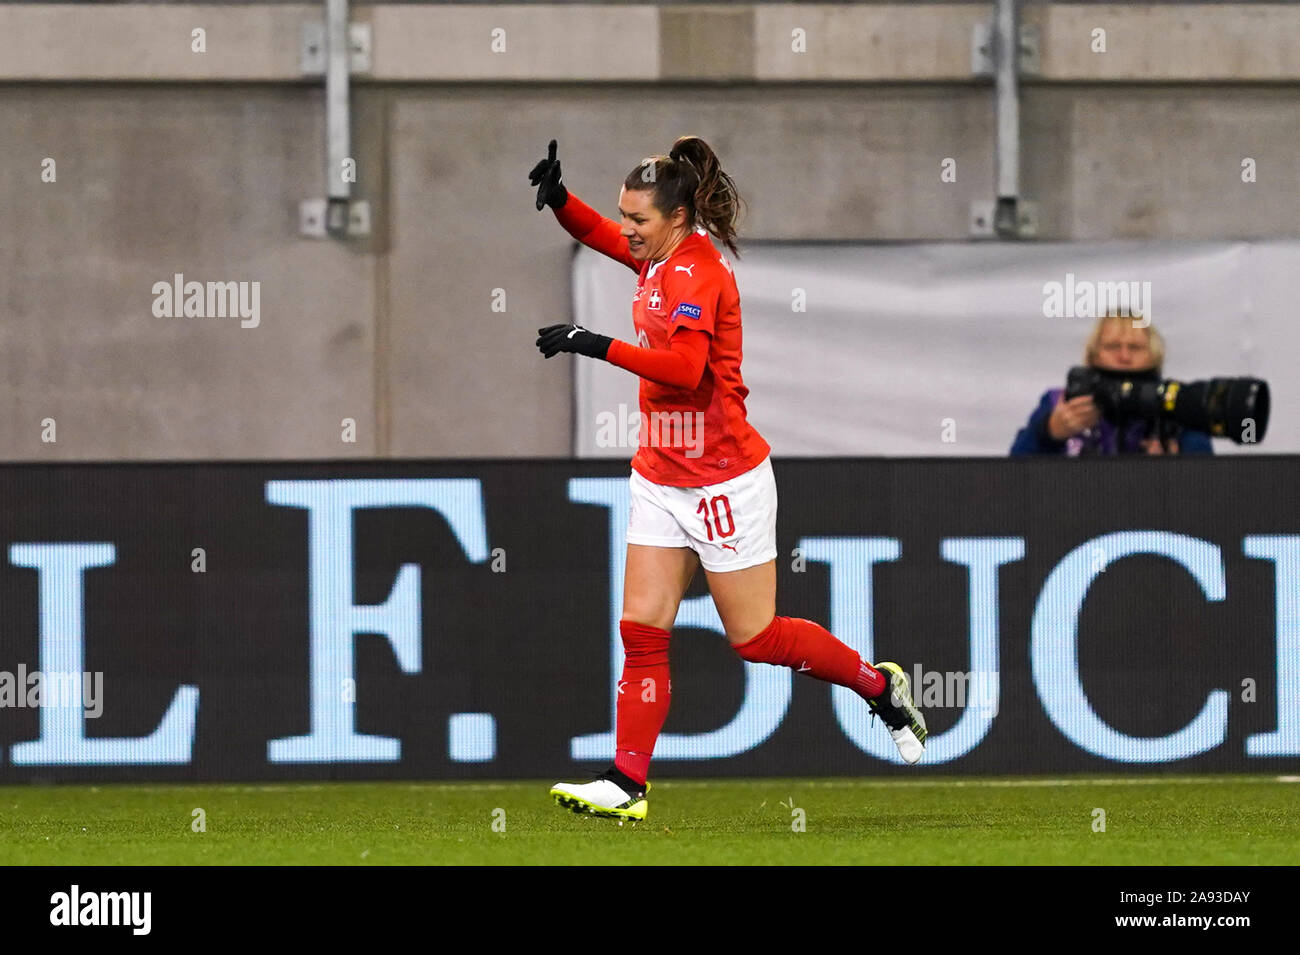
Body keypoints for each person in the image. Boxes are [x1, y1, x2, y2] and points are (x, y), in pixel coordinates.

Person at [528, 137, 927, 821]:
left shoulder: (697, 273)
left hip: (722, 481)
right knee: (642, 631)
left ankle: (878, 686)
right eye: (626, 216)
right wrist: (562, 201)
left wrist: (588, 341)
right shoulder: (656, 258)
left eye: (639, 220)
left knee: (757, 638)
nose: (627, 229)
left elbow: (685, 370)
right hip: (660, 474)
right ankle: (627, 781)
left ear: (678, 218)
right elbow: (598, 233)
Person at [1010, 314, 1214, 456]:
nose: (1124, 357)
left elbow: (1208, 480)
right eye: (1113, 346)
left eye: (1135, 348)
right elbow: (1012, 475)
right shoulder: (1060, 403)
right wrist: (1048, 432)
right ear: (1093, 356)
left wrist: (1177, 468)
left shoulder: (1176, 405)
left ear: (1154, 357)